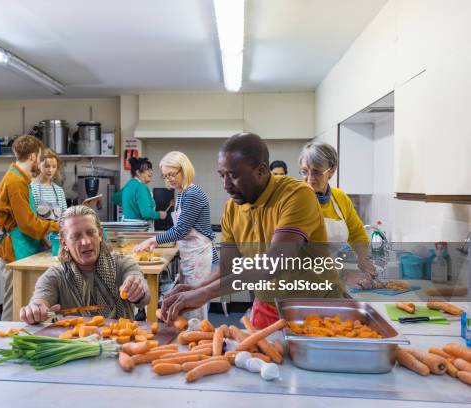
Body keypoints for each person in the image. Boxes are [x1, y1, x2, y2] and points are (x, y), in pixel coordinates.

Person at [160, 133, 342, 328]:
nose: (226, 186)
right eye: (222, 176)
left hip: (314, 308)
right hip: (268, 305)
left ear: (261, 171)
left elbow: (275, 262)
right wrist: (196, 288)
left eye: (234, 176)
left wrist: (204, 293)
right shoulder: (232, 208)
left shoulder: (297, 195)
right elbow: (228, 266)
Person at [19, 205, 150, 324]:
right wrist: (35, 309)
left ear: (99, 234)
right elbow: (40, 299)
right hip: (75, 345)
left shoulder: (123, 264)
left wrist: (138, 290)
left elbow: (144, 294)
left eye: (90, 233)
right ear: (64, 243)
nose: (85, 242)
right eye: (76, 236)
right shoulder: (55, 276)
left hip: (121, 343)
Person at [134, 152, 218, 320]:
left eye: (172, 174)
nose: (169, 179)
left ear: (184, 170)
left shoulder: (192, 194)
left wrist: (153, 240)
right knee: (189, 302)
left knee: (195, 307)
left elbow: (181, 231)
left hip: (199, 257)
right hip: (192, 256)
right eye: (165, 175)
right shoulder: (181, 194)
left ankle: (199, 339)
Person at [0, 135, 59, 321]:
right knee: (14, 303)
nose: (39, 161)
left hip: (23, 246)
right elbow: (28, 224)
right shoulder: (15, 182)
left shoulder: (20, 178)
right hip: (15, 248)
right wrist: (56, 225)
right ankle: (5, 340)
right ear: (32, 157)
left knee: (23, 302)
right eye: (39, 157)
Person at [298, 142, 378, 288]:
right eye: (304, 171)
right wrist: (342, 276)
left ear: (332, 171)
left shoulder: (339, 197)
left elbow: (357, 234)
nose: (309, 178)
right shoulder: (294, 200)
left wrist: (363, 258)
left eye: (316, 172)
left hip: (331, 282)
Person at [112, 157, 167, 222]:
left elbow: (114, 198)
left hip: (126, 227)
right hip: (139, 228)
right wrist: (159, 214)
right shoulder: (141, 187)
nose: (151, 172)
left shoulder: (129, 184)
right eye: (147, 169)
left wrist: (132, 207)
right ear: (138, 172)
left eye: (151, 169)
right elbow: (147, 214)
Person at [31, 148, 67, 221]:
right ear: (38, 165)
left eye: (54, 167)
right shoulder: (32, 188)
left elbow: (65, 216)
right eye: (46, 166)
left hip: (57, 231)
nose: (50, 170)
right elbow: (31, 217)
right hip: (40, 231)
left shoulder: (59, 190)